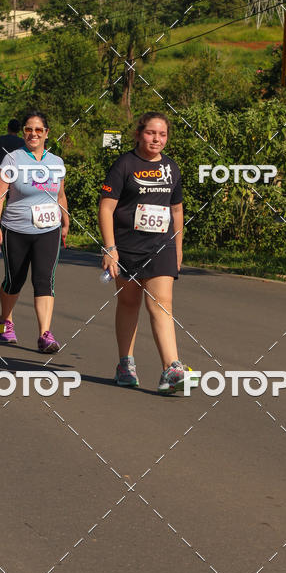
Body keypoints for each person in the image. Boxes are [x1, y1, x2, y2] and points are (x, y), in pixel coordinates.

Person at [98, 112, 196, 394]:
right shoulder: (125, 164)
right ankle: (125, 365)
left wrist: (177, 248)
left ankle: (171, 368)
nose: (157, 139)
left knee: (161, 302)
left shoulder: (171, 168)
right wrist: (110, 247)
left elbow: (176, 210)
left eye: (162, 134)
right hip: (127, 246)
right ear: (140, 134)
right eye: (151, 133)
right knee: (129, 303)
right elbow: (106, 207)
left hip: (161, 246)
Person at [0, 110, 69, 352]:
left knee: (44, 281)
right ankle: (6, 319)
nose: (33, 134)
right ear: (23, 133)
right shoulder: (13, 159)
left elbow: (60, 194)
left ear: (47, 133)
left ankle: (45, 334)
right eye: (28, 130)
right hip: (16, 228)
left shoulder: (57, 162)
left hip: (48, 229)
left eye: (38, 130)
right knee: (15, 280)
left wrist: (65, 220)